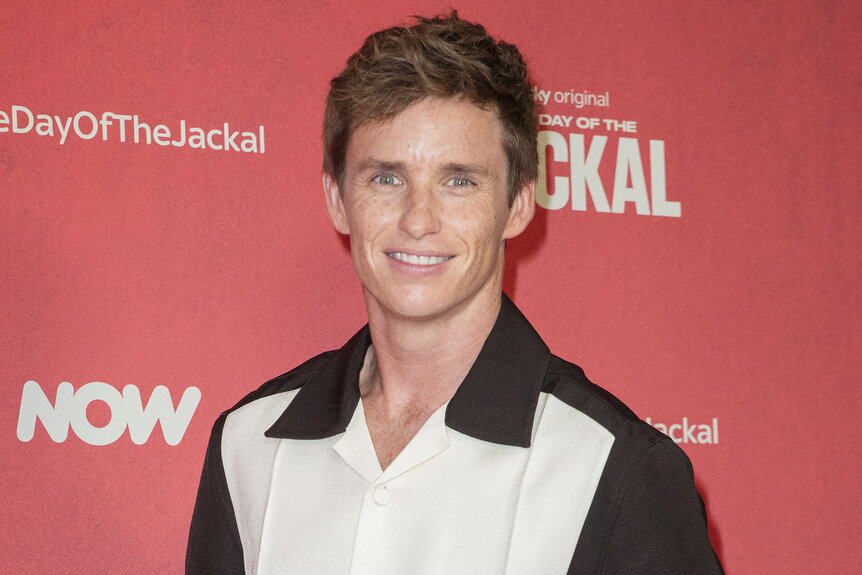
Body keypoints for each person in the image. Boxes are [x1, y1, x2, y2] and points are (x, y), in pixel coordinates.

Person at [186, 11, 724, 575]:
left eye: (459, 180)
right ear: (338, 200)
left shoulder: (617, 467)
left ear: (517, 204)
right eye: (386, 178)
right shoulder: (248, 443)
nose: (419, 220)